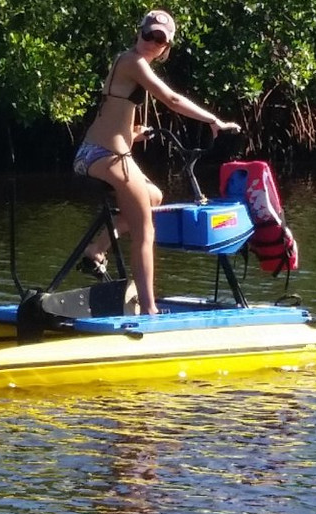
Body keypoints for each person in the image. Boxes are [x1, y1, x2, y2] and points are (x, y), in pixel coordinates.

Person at [73, 10, 241, 315]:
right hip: (101, 155)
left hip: (105, 152)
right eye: (148, 34)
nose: (152, 42)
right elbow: (172, 100)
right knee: (145, 231)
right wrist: (213, 120)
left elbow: (113, 114)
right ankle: (150, 310)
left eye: (160, 39)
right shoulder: (132, 62)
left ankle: (96, 248)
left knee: (153, 196)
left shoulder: (131, 65)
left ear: (167, 47)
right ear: (138, 33)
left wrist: (134, 134)